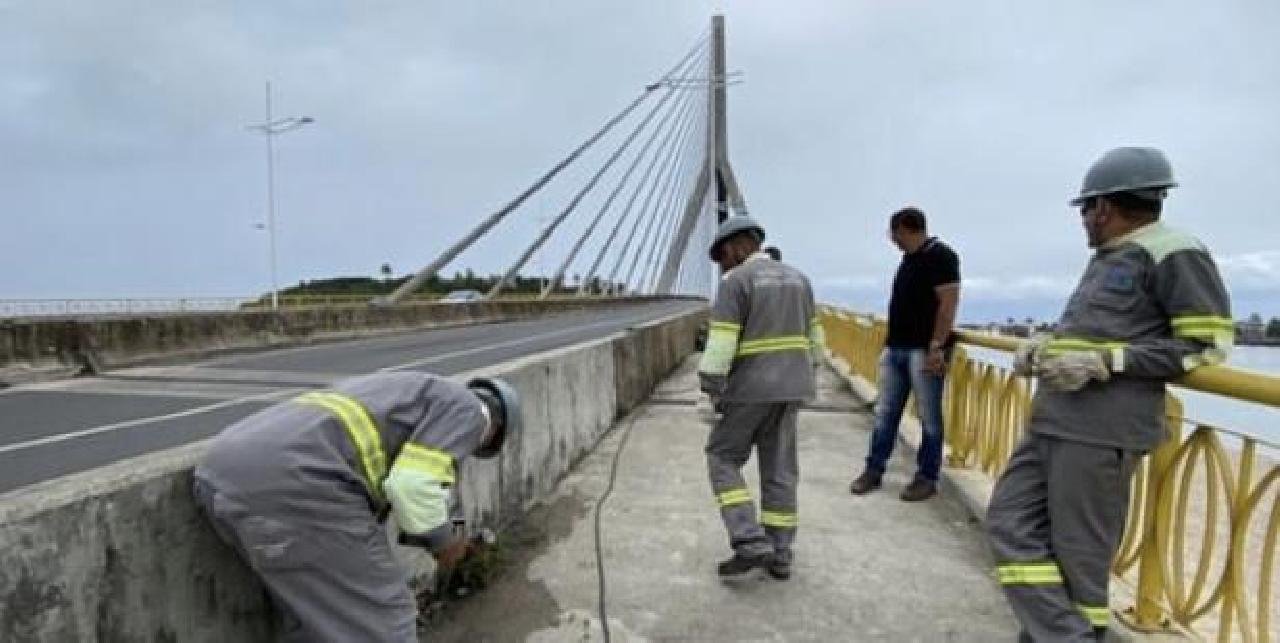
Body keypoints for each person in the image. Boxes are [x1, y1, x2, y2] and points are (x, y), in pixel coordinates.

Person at [987, 147, 1232, 641]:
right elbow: (1099, 329)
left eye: (1085, 210)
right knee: (1009, 524)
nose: (1083, 221)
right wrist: (1047, 346)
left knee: (1079, 558)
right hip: (1054, 420)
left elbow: (1207, 343)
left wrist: (1109, 361)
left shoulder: (1174, 251)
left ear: (1102, 207)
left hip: (1100, 432)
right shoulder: (1110, 257)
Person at [193, 372, 519, 642]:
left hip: (220, 473)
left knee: (321, 622)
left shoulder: (412, 390)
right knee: (385, 623)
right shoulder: (471, 413)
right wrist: (446, 544)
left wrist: (447, 527)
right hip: (300, 485)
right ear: (493, 431)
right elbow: (413, 486)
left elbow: (420, 480)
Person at [698, 215, 824, 581]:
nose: (722, 265)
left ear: (738, 246)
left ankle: (749, 540)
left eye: (722, 256)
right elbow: (817, 342)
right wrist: (806, 378)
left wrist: (709, 390)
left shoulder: (736, 281)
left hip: (750, 389)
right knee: (780, 470)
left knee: (722, 457)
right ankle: (781, 553)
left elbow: (721, 342)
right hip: (793, 388)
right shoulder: (800, 279)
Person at [849, 207, 961, 501]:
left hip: (923, 352)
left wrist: (937, 346)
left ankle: (927, 477)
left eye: (894, 233)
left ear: (908, 229)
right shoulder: (909, 259)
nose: (892, 240)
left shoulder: (942, 257)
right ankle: (873, 470)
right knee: (885, 414)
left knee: (929, 419)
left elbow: (948, 305)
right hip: (896, 347)